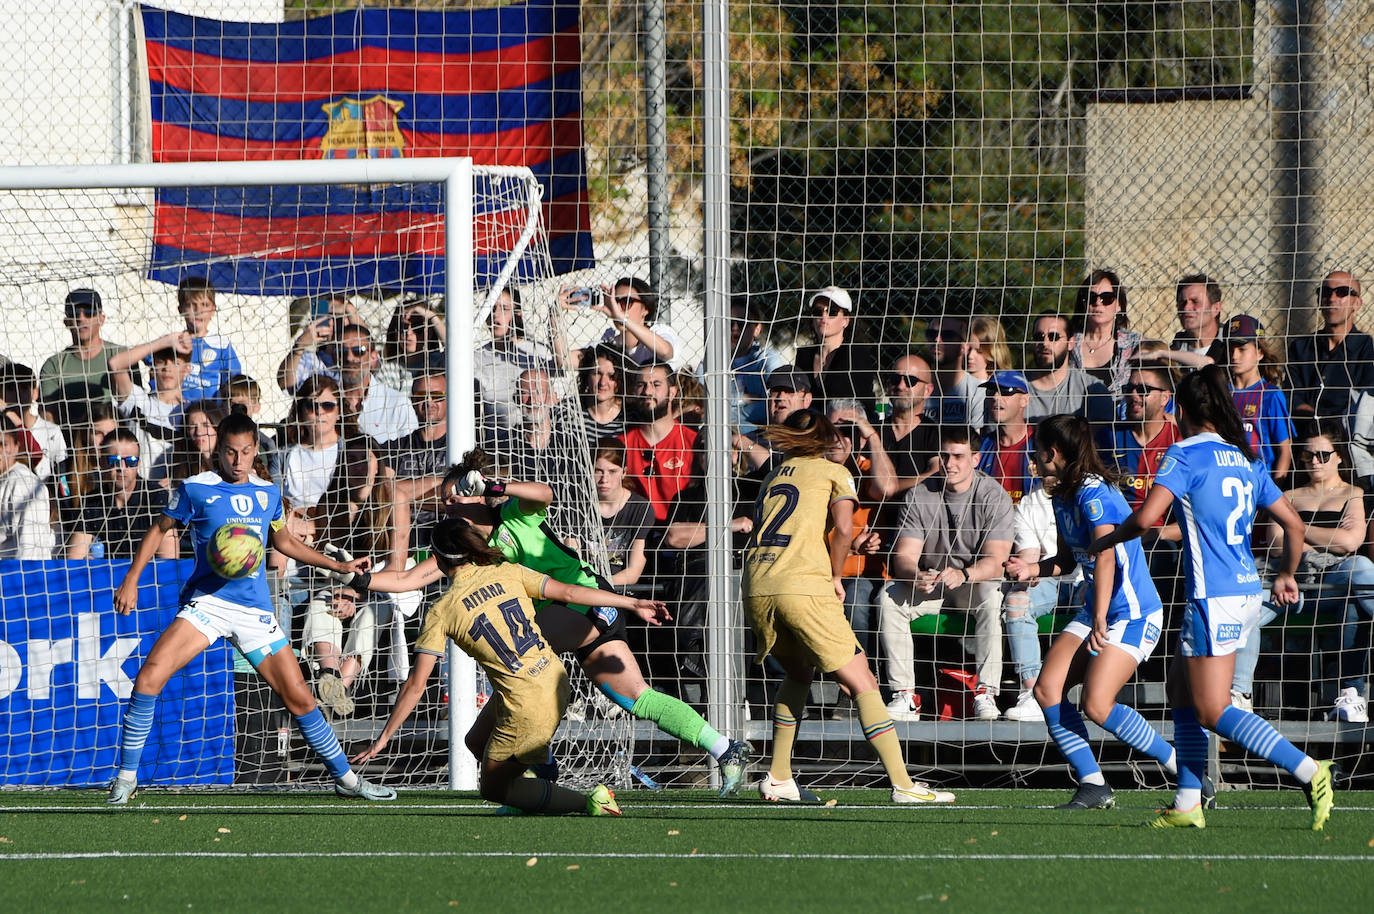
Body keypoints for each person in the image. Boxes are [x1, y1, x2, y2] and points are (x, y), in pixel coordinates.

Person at [337, 450, 753, 795]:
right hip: (585, 613)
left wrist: (495, 485)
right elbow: (406, 578)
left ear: (474, 494)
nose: (446, 505)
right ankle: (725, 747)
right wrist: (356, 576)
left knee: (518, 661)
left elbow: (545, 493)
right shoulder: (473, 549)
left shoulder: (515, 515)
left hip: (586, 601)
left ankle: (542, 760)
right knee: (636, 699)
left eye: (452, 498)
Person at [1089, 364, 1335, 830]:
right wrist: (1286, 574)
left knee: (1211, 708)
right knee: (1180, 690)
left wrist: (1107, 540)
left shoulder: (1184, 454)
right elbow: (1295, 525)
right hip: (1244, 590)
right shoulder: (1244, 458)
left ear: (1180, 410)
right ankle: (1186, 803)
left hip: (1213, 597)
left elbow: (1145, 520)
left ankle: (1309, 769)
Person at [105, 412, 394, 804]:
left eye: (245, 452)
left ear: (255, 449)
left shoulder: (268, 494)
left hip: (255, 612)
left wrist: (338, 566)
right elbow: (159, 530)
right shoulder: (195, 489)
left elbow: (285, 542)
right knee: (148, 679)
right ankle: (125, 778)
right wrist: (131, 579)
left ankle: (347, 780)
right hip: (208, 604)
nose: (238, 460)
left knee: (301, 700)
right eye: (230, 452)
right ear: (218, 452)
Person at [352, 517, 660, 815]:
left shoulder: (442, 610)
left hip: (527, 702)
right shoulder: (507, 571)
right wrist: (631, 603)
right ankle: (534, 776)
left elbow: (416, 685)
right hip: (553, 677)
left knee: (493, 790)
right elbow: (569, 591)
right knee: (475, 741)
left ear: (437, 559)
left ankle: (592, 802)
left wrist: (383, 739)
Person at [744, 409, 954, 804]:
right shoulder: (833, 473)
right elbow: (843, 529)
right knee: (863, 681)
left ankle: (778, 775)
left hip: (757, 584)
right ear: (822, 439)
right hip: (801, 584)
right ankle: (904, 785)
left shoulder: (774, 475)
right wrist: (836, 577)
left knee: (799, 673)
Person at [1003, 415, 1184, 810]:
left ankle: (1184, 770)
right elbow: (1071, 559)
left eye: (1036, 451)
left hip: (1132, 614)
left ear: (1052, 454)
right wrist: (1034, 569)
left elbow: (1104, 556)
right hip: (1096, 608)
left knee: (1096, 705)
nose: (1032, 458)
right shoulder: (1062, 494)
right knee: (1047, 689)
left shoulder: (1093, 493)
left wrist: (1100, 617)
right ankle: (1093, 784)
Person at [1232, 422, 1372, 723]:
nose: (1314, 462)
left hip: (1333, 581)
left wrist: (1296, 528)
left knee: (1360, 571)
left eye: (1322, 455)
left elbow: (1351, 541)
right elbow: (1276, 543)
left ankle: (1350, 694)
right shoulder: (1289, 495)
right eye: (1308, 456)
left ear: (1339, 457)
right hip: (1288, 578)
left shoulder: (1353, 493)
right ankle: (1240, 695)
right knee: (1247, 611)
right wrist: (1322, 540)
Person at [880, 425, 1013, 721]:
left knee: (993, 595)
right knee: (888, 597)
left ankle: (986, 692)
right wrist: (914, 576)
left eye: (958, 456)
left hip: (973, 583)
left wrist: (964, 574)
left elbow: (996, 561)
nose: (950, 463)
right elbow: (903, 555)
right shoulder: (919, 494)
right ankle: (904, 694)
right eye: (944, 455)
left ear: (976, 459)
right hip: (931, 583)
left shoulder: (994, 496)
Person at [67, 429, 177, 560]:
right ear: (102, 463)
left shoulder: (156, 497)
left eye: (131, 461)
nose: (122, 467)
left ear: (138, 464)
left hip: (148, 577)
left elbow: (169, 560)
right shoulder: (91, 503)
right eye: (114, 460)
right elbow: (74, 561)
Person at [1287, 270, 1374, 427]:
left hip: (1349, 439)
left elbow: (1365, 404)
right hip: (1305, 435)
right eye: (1326, 292)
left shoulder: (1367, 349)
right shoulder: (1300, 347)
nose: (1332, 298)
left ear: (1357, 304)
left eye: (1342, 292)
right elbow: (1292, 398)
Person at [618, 362, 698, 524]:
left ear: (673, 392)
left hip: (682, 533)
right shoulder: (622, 445)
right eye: (641, 385)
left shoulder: (693, 442)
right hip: (636, 535)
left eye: (656, 384)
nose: (648, 391)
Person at [39, 288, 128, 427]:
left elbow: (134, 405)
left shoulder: (121, 355)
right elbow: (48, 415)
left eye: (89, 312)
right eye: (74, 313)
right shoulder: (54, 365)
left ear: (101, 319)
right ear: (66, 322)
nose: (81, 318)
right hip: (70, 442)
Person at [109, 336, 192, 482]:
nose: (167, 368)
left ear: (187, 369)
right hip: (138, 495)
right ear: (152, 367)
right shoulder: (138, 400)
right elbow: (115, 364)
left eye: (176, 363)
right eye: (161, 362)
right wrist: (163, 342)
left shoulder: (193, 413)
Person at [473, 287, 556, 430]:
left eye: (504, 309)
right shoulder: (477, 357)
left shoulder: (538, 352)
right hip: (499, 445)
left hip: (539, 439)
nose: (495, 314)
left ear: (518, 315)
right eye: (491, 308)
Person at [1225, 315, 1293, 482]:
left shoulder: (1270, 395)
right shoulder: (1220, 392)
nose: (1234, 356)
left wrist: (1275, 492)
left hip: (1259, 485)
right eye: (1231, 349)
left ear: (1260, 353)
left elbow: (1285, 450)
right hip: (1224, 483)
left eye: (1242, 349)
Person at [793, 285, 877, 416]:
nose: (824, 316)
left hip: (848, 424)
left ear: (845, 320)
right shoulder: (804, 355)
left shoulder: (856, 354)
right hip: (811, 425)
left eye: (832, 311)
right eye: (818, 312)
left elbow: (857, 402)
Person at [565, 277, 682, 370]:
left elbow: (666, 352)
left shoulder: (659, 332)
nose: (618, 309)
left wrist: (623, 319)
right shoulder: (610, 343)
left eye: (626, 302)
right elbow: (564, 360)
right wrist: (555, 313)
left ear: (645, 309)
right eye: (615, 302)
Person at [1068, 269, 1143, 407]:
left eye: (1107, 298)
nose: (1098, 303)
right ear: (1083, 304)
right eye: (1091, 297)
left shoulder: (1135, 344)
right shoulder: (1067, 343)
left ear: (1119, 305)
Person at [1024, 312, 1113, 426]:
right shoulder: (1015, 387)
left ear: (1071, 343)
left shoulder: (1093, 390)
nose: (1045, 343)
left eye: (1054, 337)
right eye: (1038, 337)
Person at [336, 323, 417, 445]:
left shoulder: (397, 404)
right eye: (342, 351)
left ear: (373, 356)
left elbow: (411, 456)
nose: (349, 358)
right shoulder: (323, 403)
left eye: (358, 351)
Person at [593, 438, 653, 588]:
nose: (604, 479)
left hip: (621, 590)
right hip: (583, 589)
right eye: (598, 471)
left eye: (612, 472)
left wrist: (599, 586)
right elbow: (573, 560)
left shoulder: (640, 508)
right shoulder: (577, 506)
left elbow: (633, 572)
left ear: (624, 472)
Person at [173, 276, 243, 405]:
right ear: (181, 309)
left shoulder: (222, 346)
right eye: (191, 305)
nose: (198, 311)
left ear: (213, 309)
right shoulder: (173, 342)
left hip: (209, 415)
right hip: (176, 410)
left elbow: (233, 383)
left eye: (204, 305)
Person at [976, 370, 1036, 505]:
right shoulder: (980, 448)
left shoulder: (1041, 446)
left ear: (1024, 400)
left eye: (1005, 391)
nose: (996, 397)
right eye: (991, 392)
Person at [0, 420, 56, 558]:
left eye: (2, 444)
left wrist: (19, 578)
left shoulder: (23, 484)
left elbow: (30, 550)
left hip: (13, 575)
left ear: (16, 447)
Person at [924, 315, 985, 429]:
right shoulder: (908, 385)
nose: (937, 339)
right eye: (931, 334)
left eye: (947, 335)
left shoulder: (978, 393)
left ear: (964, 347)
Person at [378, 298, 447, 395]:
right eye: (403, 328)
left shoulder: (439, 363)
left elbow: (457, 352)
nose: (409, 333)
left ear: (430, 332)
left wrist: (432, 317)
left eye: (417, 327)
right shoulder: (388, 371)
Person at [1169, 273, 1228, 368]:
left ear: (1216, 308)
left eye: (1195, 301)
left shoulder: (1232, 350)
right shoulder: (1171, 357)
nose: (1186, 308)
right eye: (1182, 302)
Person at [578, 347, 627, 438]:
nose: (603, 382)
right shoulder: (570, 411)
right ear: (587, 376)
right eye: (597, 374)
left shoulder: (630, 417)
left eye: (611, 376)